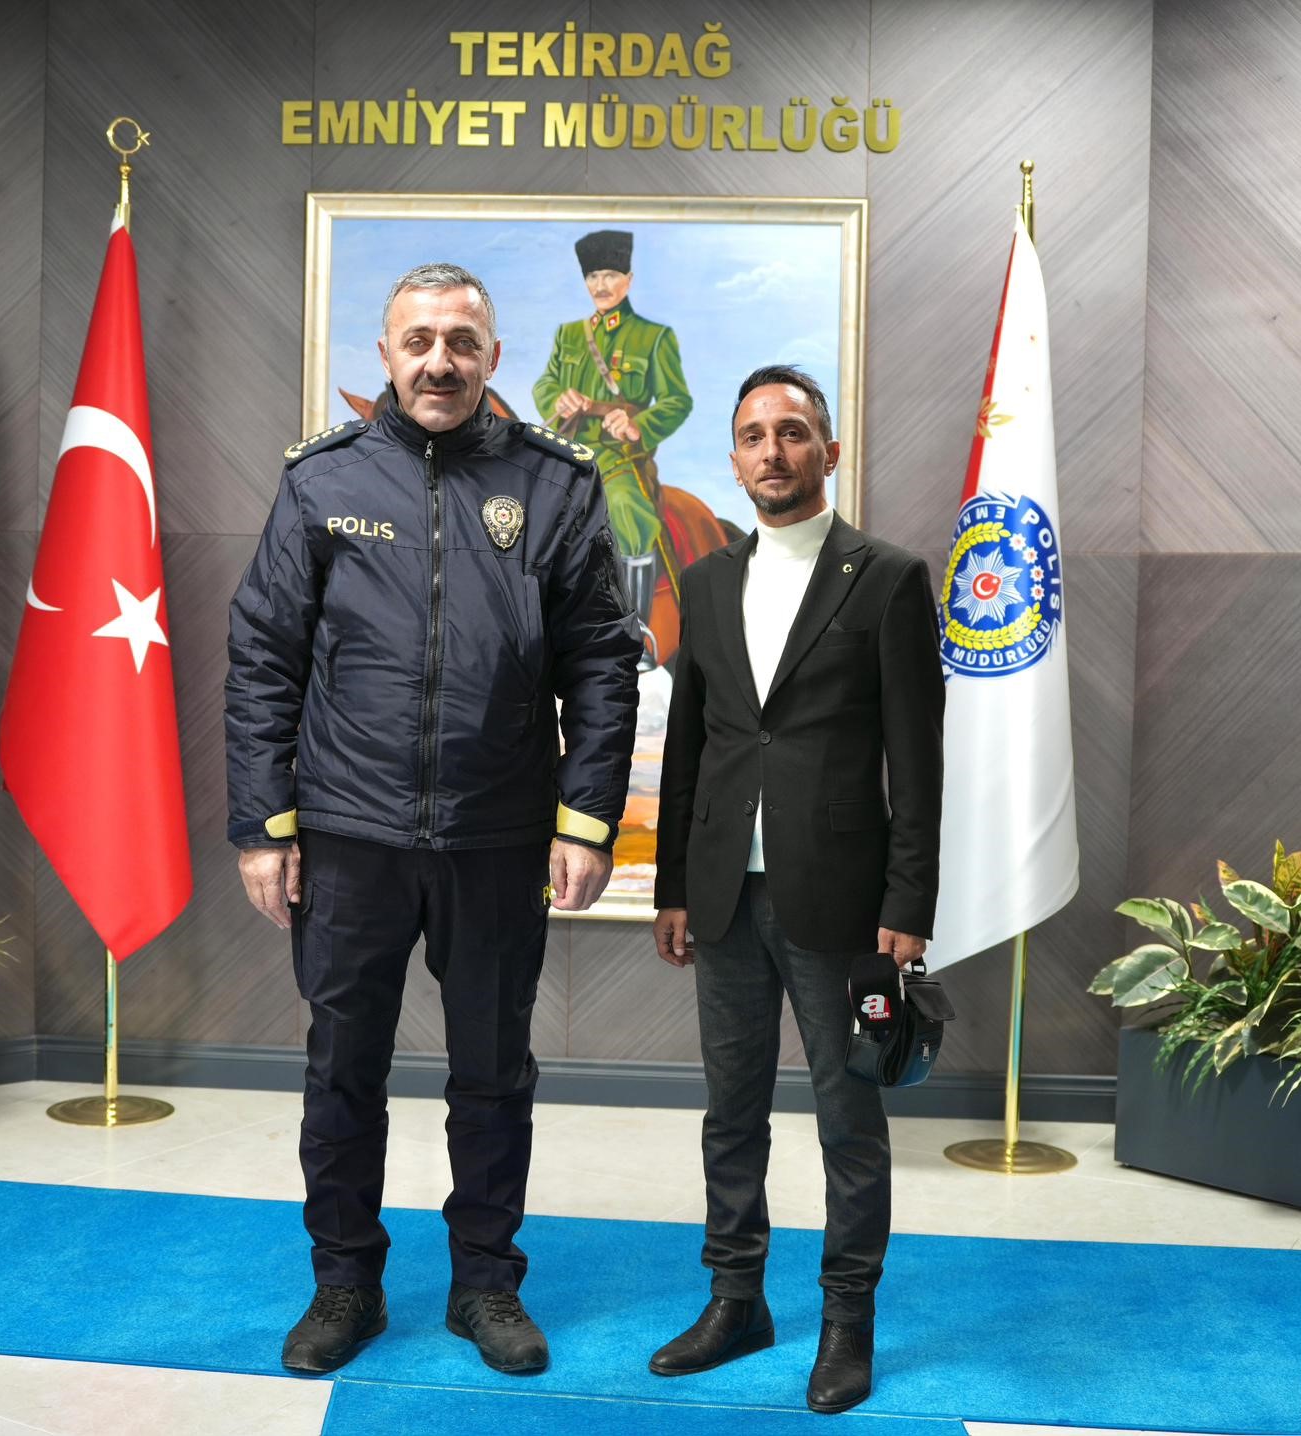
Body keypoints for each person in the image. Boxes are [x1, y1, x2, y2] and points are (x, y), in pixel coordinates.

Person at [225, 262, 642, 1378]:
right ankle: (345, 1284)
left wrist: (586, 819)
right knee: (342, 1071)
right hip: (348, 837)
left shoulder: (555, 486)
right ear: (385, 355)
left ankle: (485, 1284)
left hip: (497, 838)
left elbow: (602, 664)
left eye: (462, 341)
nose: (440, 361)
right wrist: (263, 825)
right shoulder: (321, 481)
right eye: (419, 341)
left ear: (494, 357)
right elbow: (262, 657)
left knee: (494, 1073)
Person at [647, 365, 944, 1414]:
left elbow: (918, 761)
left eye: (791, 431)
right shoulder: (706, 584)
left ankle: (846, 1322)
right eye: (752, 435)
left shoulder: (888, 577)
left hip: (845, 904)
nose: (771, 450)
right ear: (733, 458)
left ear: (828, 449)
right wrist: (672, 886)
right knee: (730, 1114)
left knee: (847, 1122)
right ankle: (736, 1301)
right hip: (723, 896)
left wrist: (907, 905)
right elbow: (690, 749)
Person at [532, 230, 693, 665]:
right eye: (593, 277)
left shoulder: (654, 337)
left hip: (619, 458)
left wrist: (638, 425)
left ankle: (634, 633)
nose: (600, 285)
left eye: (609, 275)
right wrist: (557, 399)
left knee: (627, 512)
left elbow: (678, 401)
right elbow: (545, 383)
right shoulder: (569, 335)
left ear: (628, 279)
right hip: (566, 453)